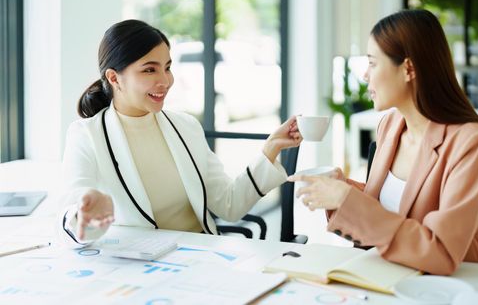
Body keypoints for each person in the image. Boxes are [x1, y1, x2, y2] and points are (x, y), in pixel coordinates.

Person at [291, 9, 478, 275]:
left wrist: (347, 199)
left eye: (372, 63)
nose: (364, 76)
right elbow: (392, 208)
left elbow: (441, 252)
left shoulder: (472, 142)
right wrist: (342, 190)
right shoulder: (391, 125)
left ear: (408, 68)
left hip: (457, 288)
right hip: (391, 275)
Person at [59, 19, 302, 245]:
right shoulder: (87, 135)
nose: (165, 80)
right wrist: (85, 213)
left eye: (167, 67)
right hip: (140, 268)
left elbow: (229, 205)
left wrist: (271, 149)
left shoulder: (186, 127)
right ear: (114, 78)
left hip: (202, 260)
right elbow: (73, 208)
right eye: (149, 70)